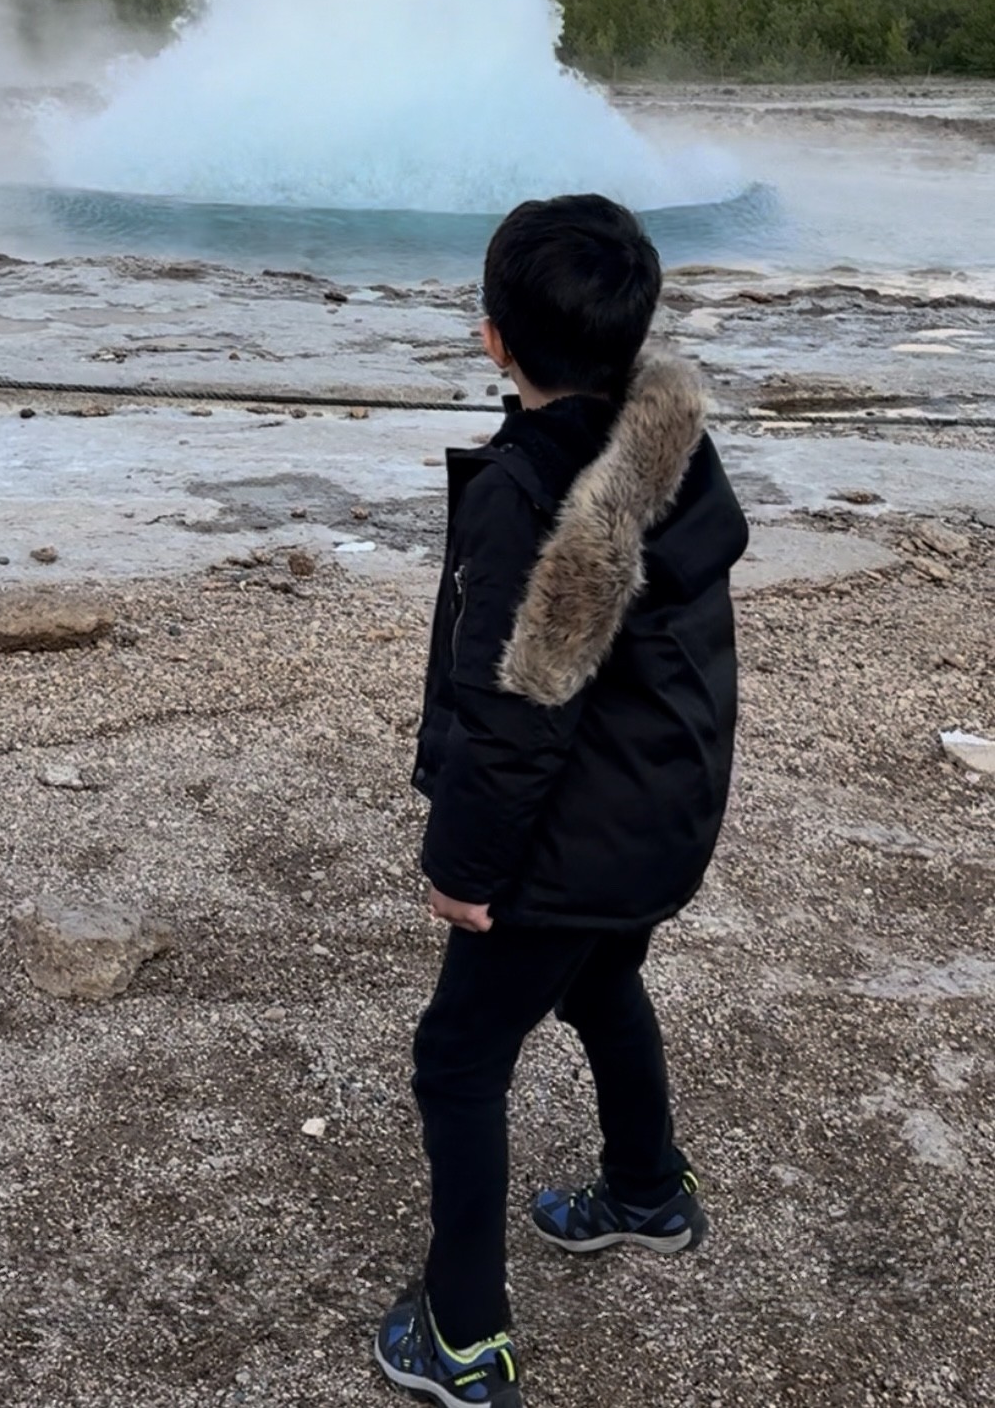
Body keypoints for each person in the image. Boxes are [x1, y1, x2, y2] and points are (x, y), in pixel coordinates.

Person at [375, 194, 750, 1408]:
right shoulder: (667, 446)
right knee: (600, 982)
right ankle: (646, 1193)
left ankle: (463, 1337)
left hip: (573, 844)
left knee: (458, 1059)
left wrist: (464, 869)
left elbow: (520, 716)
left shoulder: (535, 498)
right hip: (666, 816)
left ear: (494, 340)